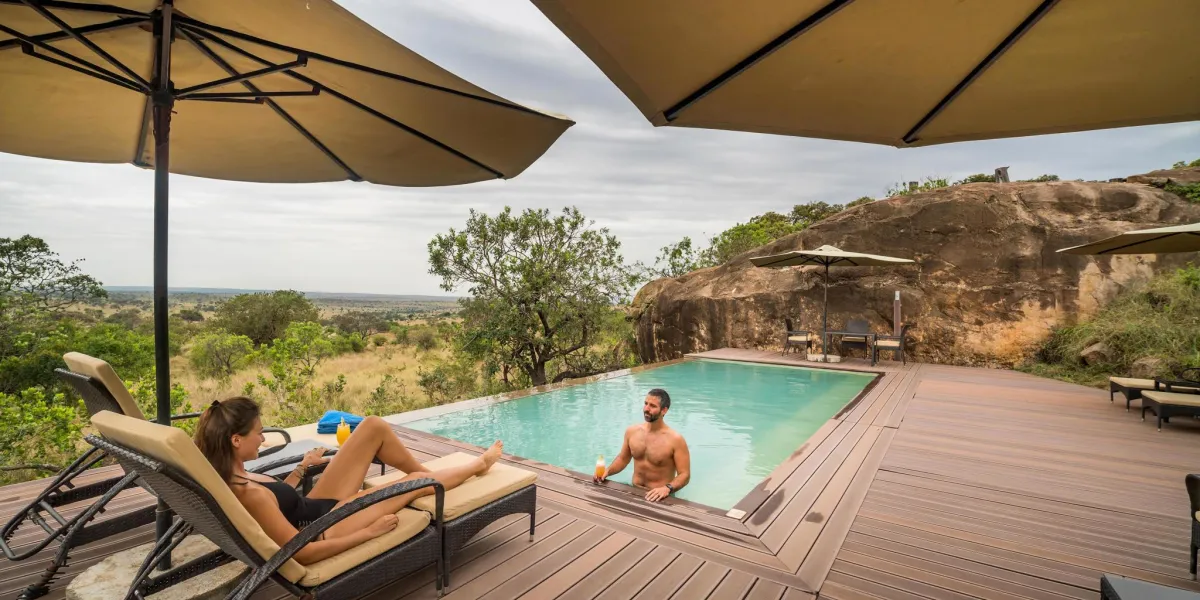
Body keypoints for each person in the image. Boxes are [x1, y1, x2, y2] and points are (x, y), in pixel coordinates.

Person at [194, 397, 502, 565]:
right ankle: (477, 465)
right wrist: (369, 533)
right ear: (236, 440)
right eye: (258, 433)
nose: (262, 439)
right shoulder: (247, 492)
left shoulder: (233, 474)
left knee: (372, 426)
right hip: (326, 528)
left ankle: (431, 478)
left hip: (313, 506)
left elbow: (277, 501)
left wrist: (302, 468)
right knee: (420, 481)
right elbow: (301, 552)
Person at [593, 388, 691, 503]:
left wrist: (667, 488)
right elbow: (623, 458)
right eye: (645, 404)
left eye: (652, 406)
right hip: (634, 491)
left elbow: (685, 475)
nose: (646, 409)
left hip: (660, 497)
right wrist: (608, 471)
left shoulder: (675, 440)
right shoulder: (632, 431)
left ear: (664, 410)